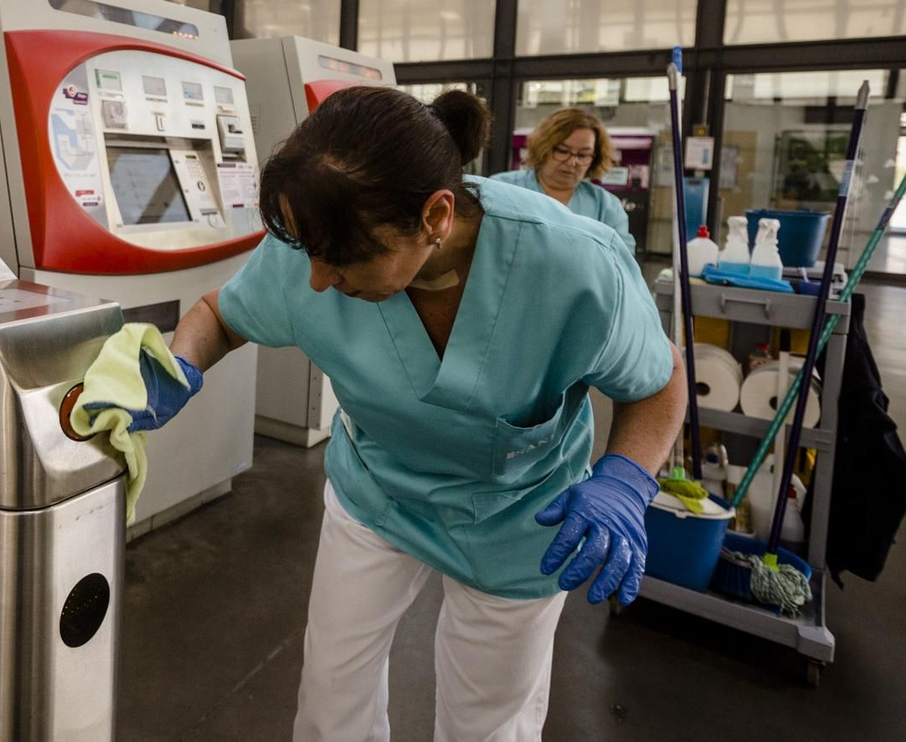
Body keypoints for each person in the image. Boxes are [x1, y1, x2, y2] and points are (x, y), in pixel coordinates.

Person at [101, 87, 685, 741]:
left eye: (345, 257)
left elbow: (660, 380)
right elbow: (222, 314)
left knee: (487, 725)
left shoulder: (576, 265)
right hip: (378, 491)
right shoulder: (313, 244)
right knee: (330, 699)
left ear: (436, 215)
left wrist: (626, 478)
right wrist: (176, 364)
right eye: (310, 254)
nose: (318, 280)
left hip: (520, 514)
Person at [494, 107, 636, 253]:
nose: (572, 162)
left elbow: (623, 261)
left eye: (583, 155)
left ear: (595, 158)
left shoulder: (606, 206)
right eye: (562, 151)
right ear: (543, 148)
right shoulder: (501, 189)